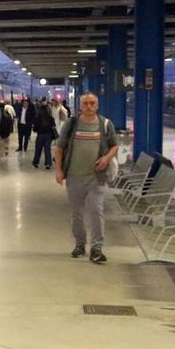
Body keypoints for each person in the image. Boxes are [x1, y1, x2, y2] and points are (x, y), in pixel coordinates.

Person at [54, 92, 119, 264]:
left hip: (96, 178)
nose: (89, 106)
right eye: (85, 103)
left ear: (97, 105)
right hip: (74, 177)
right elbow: (59, 148)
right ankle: (80, 244)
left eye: (92, 103)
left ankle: (96, 248)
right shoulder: (72, 124)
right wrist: (59, 170)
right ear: (80, 106)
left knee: (96, 211)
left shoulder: (105, 124)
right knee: (77, 214)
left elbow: (114, 146)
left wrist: (106, 158)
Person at [32, 99, 57, 170]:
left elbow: (35, 128)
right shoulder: (50, 118)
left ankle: (36, 162)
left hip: (40, 135)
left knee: (38, 149)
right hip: (48, 135)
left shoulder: (38, 118)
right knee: (47, 149)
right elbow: (53, 126)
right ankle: (48, 164)